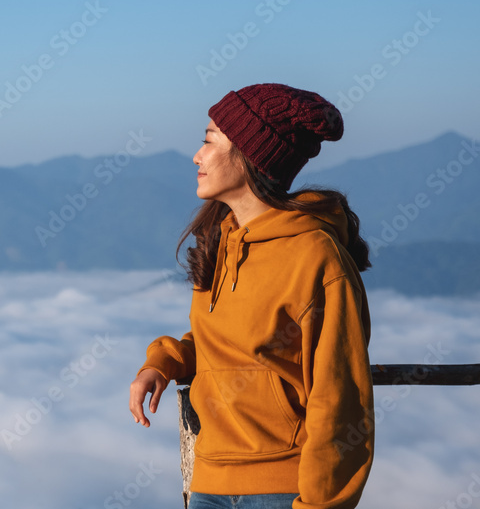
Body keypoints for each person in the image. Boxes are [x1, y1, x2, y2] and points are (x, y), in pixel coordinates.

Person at [128, 83, 374, 509]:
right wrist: (164, 362)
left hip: (283, 489)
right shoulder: (222, 240)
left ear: (251, 154)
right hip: (209, 482)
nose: (197, 156)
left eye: (209, 141)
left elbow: (340, 397)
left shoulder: (315, 256)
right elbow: (230, 344)